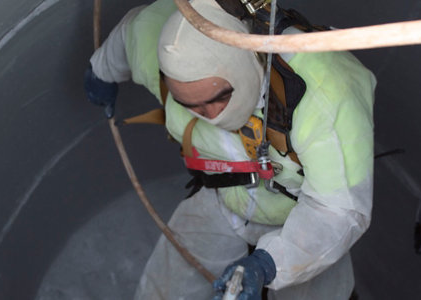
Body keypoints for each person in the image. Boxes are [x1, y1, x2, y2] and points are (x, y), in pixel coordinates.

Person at [85, 0, 376, 299]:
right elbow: (130, 33)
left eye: (218, 97)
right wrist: (101, 72)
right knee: (164, 290)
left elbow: (339, 210)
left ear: (244, 65)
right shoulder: (162, 40)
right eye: (191, 105)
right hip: (224, 199)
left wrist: (268, 264)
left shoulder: (326, 94)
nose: (209, 115)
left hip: (304, 217)